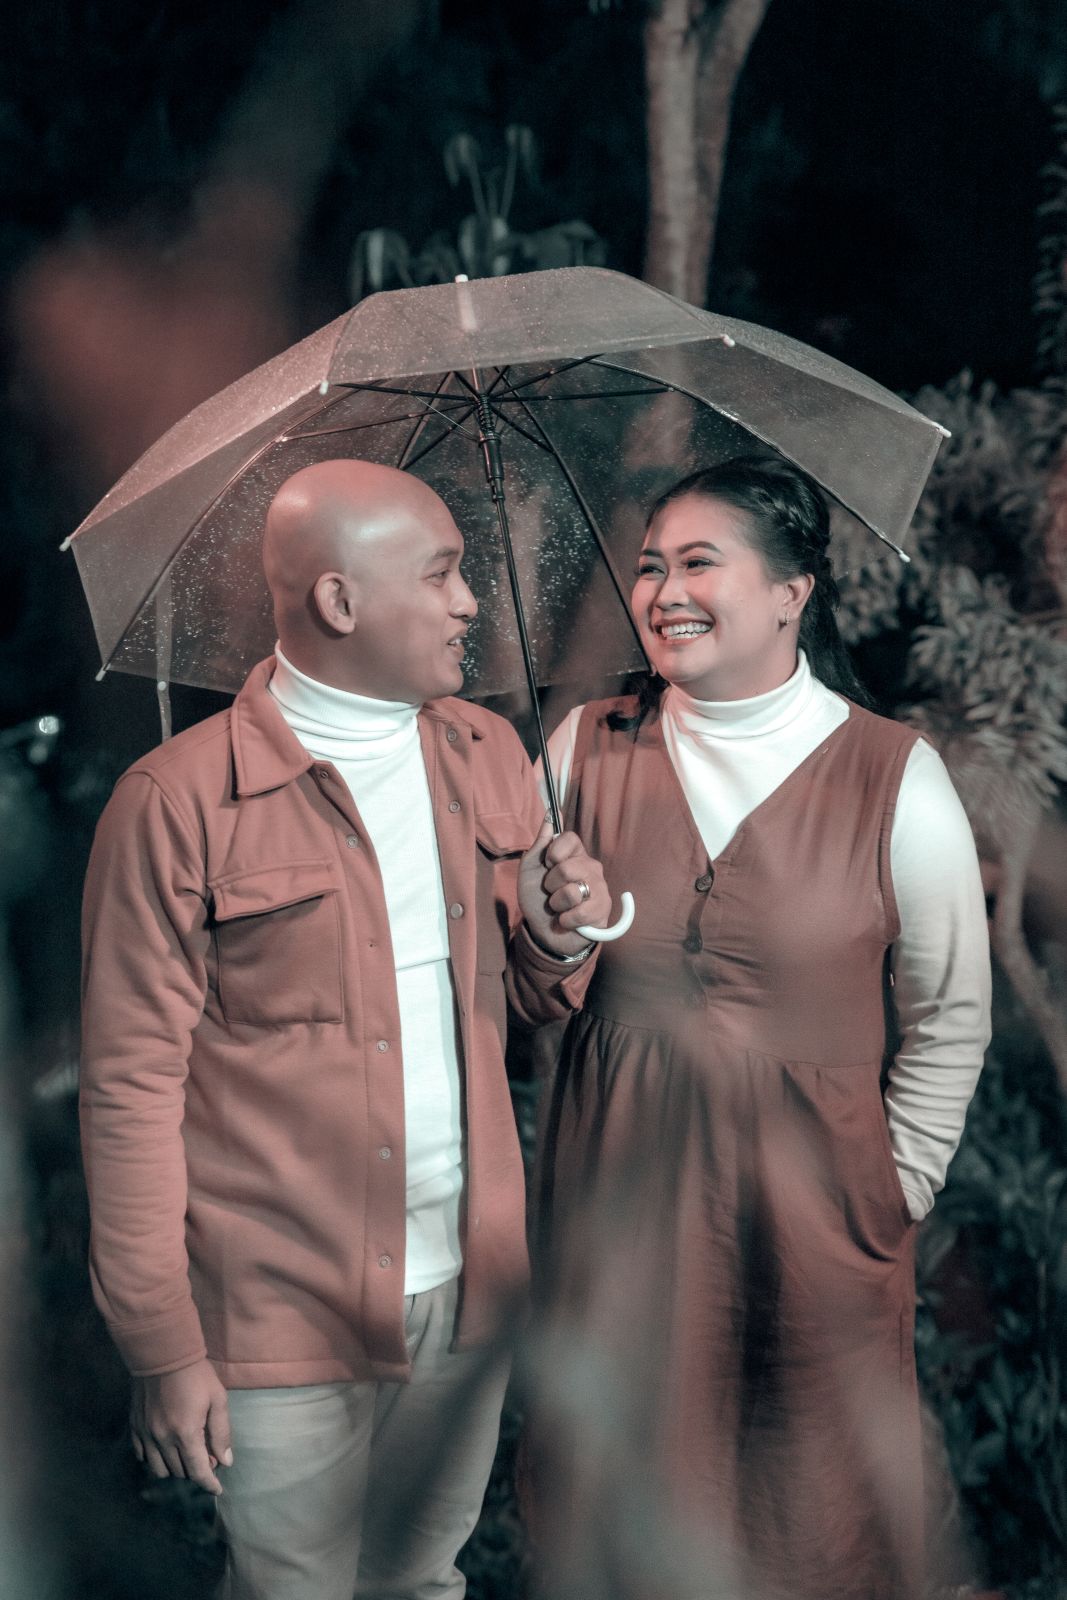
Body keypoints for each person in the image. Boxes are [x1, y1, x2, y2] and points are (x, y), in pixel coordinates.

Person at [79, 458, 612, 1600]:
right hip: (279, 1303)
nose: (469, 600)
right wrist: (161, 1344)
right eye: (441, 573)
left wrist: (560, 934)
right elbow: (128, 1088)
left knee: (419, 1580)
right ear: (339, 599)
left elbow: (524, 995)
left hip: (465, 1284)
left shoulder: (488, 754)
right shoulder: (175, 804)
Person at [532, 454, 991, 1600]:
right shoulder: (580, 748)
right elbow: (529, 987)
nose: (663, 592)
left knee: (810, 1514)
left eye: (698, 563)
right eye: (649, 567)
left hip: (813, 1220)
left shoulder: (893, 778)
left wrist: (892, 1188)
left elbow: (948, 1014)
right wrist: (558, 933)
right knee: (621, 1503)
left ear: (792, 590)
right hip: (619, 1204)